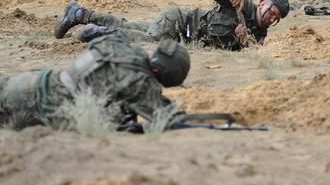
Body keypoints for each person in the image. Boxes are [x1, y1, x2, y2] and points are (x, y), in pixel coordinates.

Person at [0, 33, 189, 130]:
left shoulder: (117, 43)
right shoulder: (138, 83)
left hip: (35, 80)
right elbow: (169, 117)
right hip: (41, 107)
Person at [54, 0, 290, 51]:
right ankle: (98, 34)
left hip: (182, 36)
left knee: (128, 24)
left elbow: (249, 52)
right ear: (262, 2)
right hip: (178, 21)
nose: (271, 17)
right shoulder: (241, 3)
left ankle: (81, 14)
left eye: (275, 17)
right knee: (151, 41)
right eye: (270, 10)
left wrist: (243, 39)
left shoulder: (259, 35)